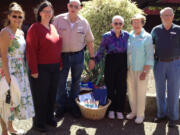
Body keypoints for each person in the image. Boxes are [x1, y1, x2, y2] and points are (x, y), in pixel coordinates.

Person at [53, 0, 95, 119]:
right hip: (62, 56)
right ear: (67, 6)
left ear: (80, 8)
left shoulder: (84, 22)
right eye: (71, 6)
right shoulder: (58, 20)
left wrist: (92, 58)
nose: (73, 8)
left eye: (76, 6)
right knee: (61, 81)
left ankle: (73, 105)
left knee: (76, 81)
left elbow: (90, 41)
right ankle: (62, 105)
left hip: (78, 55)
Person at [26, 1, 62, 132]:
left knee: (52, 94)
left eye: (50, 11)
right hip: (41, 68)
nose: (48, 13)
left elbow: (57, 47)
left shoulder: (53, 27)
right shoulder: (34, 28)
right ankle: (38, 122)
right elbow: (30, 51)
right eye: (45, 11)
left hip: (55, 67)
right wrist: (34, 70)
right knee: (40, 96)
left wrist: (60, 64)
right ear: (39, 13)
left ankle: (48, 117)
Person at [0, 2, 34, 135]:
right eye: (14, 16)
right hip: (8, 69)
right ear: (9, 16)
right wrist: (7, 76)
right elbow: (3, 55)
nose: (17, 19)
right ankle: (4, 130)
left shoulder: (21, 32)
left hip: (20, 70)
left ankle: (11, 127)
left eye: (20, 17)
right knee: (4, 100)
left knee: (13, 99)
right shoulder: (5, 32)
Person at [94, 15, 129, 119]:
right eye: (115, 23)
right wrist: (94, 61)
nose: (118, 25)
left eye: (120, 23)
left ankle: (119, 110)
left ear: (123, 25)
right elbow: (101, 50)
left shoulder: (127, 35)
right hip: (111, 61)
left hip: (123, 61)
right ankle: (111, 109)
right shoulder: (107, 36)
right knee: (110, 85)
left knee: (121, 87)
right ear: (112, 24)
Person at [151, 7, 180, 128]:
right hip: (159, 64)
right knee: (160, 90)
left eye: (169, 15)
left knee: (174, 91)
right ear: (161, 17)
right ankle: (161, 114)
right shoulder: (156, 30)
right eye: (164, 15)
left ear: (173, 16)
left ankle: (173, 117)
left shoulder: (178, 29)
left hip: (175, 64)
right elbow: (150, 46)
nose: (167, 17)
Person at [126, 14, 154, 124]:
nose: (136, 24)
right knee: (131, 91)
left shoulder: (147, 36)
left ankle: (140, 114)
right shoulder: (130, 35)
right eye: (134, 22)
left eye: (139, 22)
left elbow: (150, 55)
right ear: (132, 24)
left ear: (143, 23)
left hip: (142, 70)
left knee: (141, 92)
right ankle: (133, 112)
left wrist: (145, 71)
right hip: (130, 69)